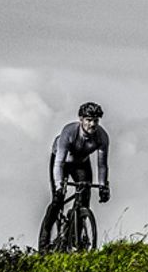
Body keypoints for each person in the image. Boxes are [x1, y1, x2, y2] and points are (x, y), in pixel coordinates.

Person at [39, 102, 110, 250]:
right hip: (63, 162)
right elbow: (58, 162)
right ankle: (44, 241)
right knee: (58, 200)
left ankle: (75, 239)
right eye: (89, 120)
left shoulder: (102, 137)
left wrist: (103, 186)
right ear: (81, 119)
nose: (92, 124)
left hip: (81, 163)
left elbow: (102, 165)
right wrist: (59, 186)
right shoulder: (69, 132)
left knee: (84, 197)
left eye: (95, 120)